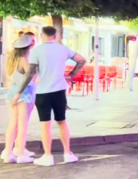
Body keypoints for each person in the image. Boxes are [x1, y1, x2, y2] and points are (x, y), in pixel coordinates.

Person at [12, 26, 86, 167]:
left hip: (43, 92)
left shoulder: (36, 51)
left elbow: (29, 74)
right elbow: (82, 60)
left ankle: (48, 156)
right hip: (59, 90)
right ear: (55, 35)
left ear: (41, 35)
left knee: (45, 125)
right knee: (62, 122)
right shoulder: (63, 49)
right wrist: (70, 76)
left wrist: (19, 92)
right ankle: (67, 153)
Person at [3, 36, 38, 164]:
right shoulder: (23, 60)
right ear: (28, 47)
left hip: (11, 93)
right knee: (23, 125)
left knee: (13, 124)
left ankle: (8, 152)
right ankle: (21, 153)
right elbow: (31, 76)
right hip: (24, 94)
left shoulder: (11, 60)